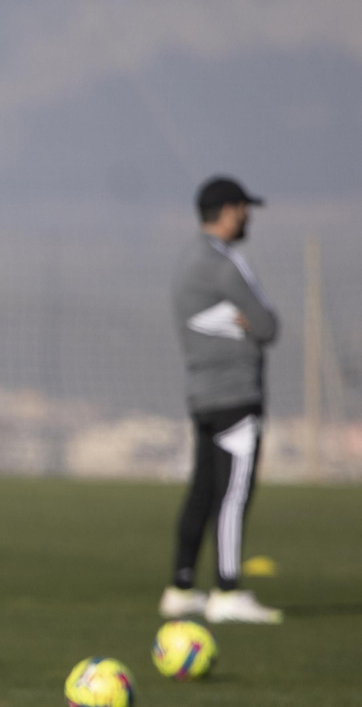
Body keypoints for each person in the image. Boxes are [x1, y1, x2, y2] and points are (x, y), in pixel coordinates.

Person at [160, 176, 282, 624]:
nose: (248, 215)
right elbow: (267, 325)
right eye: (245, 208)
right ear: (229, 211)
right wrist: (248, 324)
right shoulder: (226, 264)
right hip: (235, 394)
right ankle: (228, 590)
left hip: (201, 394)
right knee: (234, 493)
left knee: (204, 488)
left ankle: (182, 584)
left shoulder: (186, 261)